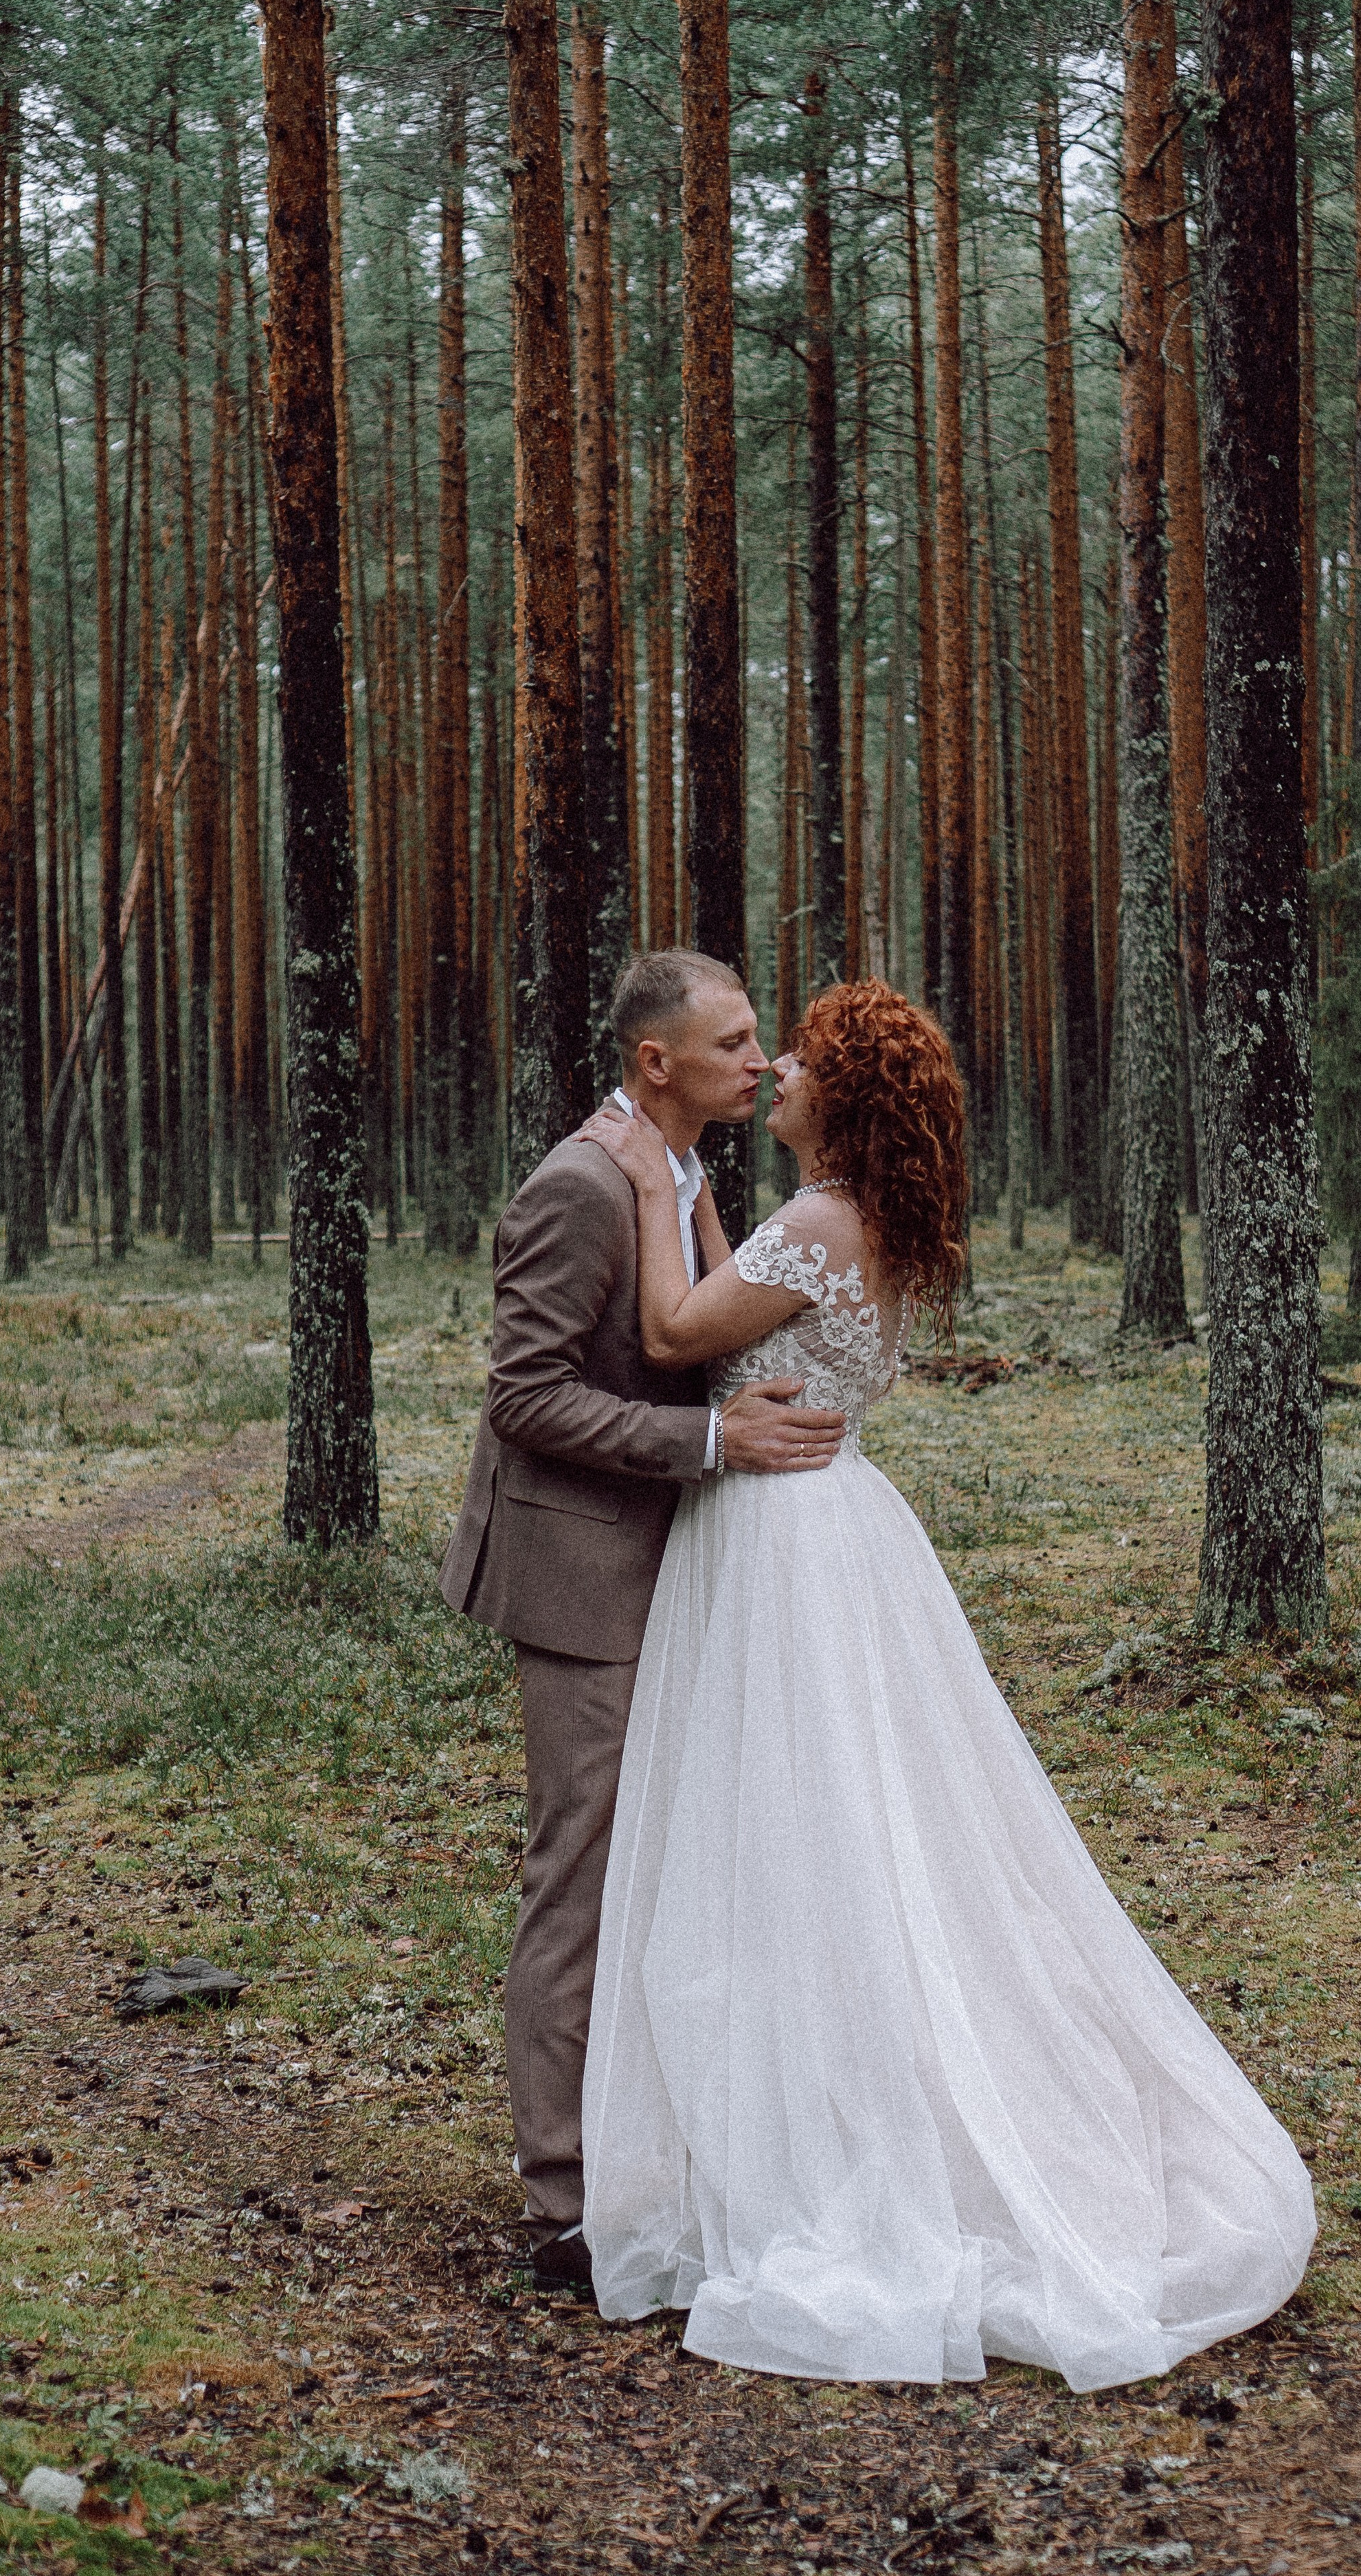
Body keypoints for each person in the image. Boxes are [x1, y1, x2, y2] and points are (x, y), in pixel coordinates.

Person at [575, 978, 1314, 2390]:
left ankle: (824, 2139)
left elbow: (675, 1336)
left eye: (803, 1057)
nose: (776, 1067)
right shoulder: (863, 1224)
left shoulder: (811, 1225)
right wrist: (702, 1196)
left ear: (841, 1098)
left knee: (796, 1836)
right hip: (838, 1521)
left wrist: (652, 1172)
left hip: (779, 1544)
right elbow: (747, 1306)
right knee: (863, 1831)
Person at [440, 950, 846, 2299]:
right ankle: (564, 2200)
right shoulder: (578, 1184)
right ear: (654, 1062)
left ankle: (644, 2149)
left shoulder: (683, 1175)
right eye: (733, 1043)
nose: (762, 1062)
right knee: (583, 1871)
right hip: (575, 1576)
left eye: (760, 1042)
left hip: (665, 1565)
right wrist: (716, 1437)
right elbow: (527, 1399)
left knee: (658, 1865)